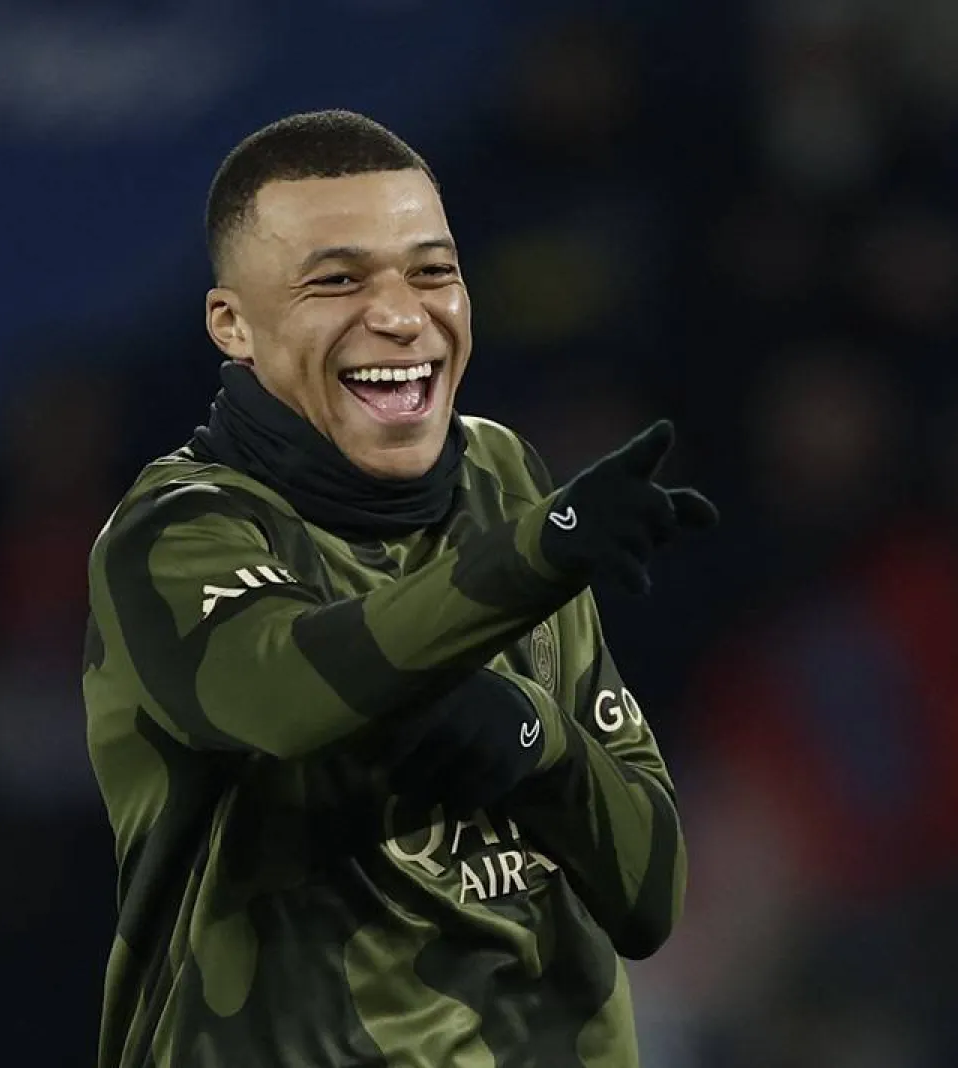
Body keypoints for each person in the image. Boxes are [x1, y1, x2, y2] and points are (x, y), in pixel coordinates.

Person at [82, 109, 718, 1068]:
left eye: (432, 271)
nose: (400, 313)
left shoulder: (505, 479)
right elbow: (286, 698)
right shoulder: (176, 532)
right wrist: (541, 555)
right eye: (337, 279)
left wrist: (531, 743)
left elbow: (647, 891)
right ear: (233, 325)